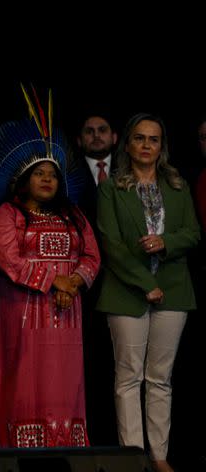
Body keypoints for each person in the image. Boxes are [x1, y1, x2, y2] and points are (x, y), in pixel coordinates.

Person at [96, 113, 199, 472]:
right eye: (139, 138)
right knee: (128, 377)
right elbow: (111, 244)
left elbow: (192, 233)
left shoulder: (177, 184)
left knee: (160, 379)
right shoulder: (112, 188)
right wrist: (145, 284)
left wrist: (164, 242)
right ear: (127, 144)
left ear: (161, 146)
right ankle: (133, 456)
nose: (146, 145)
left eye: (153, 140)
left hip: (173, 290)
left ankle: (159, 456)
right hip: (127, 291)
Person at [0, 158, 100, 448]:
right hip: (24, 312)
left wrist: (72, 282)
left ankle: (65, 446)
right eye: (39, 174)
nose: (47, 180)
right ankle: (21, 450)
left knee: (66, 380)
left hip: (67, 313)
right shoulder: (8, 214)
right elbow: (7, 258)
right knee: (25, 377)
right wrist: (53, 281)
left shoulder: (73, 215)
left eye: (53, 175)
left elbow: (91, 256)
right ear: (24, 180)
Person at [73, 113, 119, 446]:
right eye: (89, 132)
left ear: (115, 137)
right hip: (86, 284)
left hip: (126, 281)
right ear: (79, 140)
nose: (96, 136)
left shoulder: (130, 174)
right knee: (91, 364)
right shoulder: (68, 176)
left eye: (102, 130)